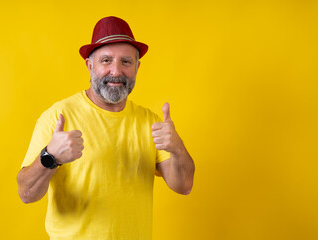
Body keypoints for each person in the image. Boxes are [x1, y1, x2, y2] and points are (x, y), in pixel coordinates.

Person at [17, 16, 195, 240]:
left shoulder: (150, 122)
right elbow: (26, 193)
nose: (115, 71)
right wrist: (50, 156)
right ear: (90, 65)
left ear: (137, 67)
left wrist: (177, 147)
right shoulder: (58, 117)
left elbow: (184, 185)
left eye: (126, 62)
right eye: (106, 60)